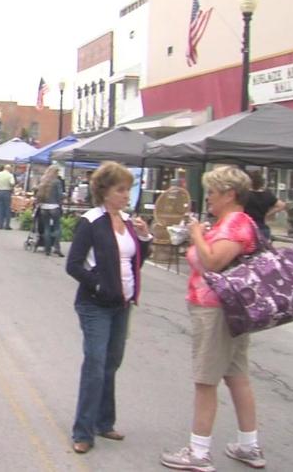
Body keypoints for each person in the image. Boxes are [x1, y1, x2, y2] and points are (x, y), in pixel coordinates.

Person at [160, 166, 265, 471]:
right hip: (228, 309)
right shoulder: (231, 222)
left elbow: (214, 262)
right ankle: (249, 445)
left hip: (217, 309)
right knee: (236, 376)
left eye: (213, 194)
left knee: (206, 379)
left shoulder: (235, 223)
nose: (209, 199)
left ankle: (199, 451)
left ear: (230, 194)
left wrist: (196, 235)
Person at [66, 161, 152, 454]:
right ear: (105, 191)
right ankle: (83, 430)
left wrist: (144, 238)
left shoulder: (128, 222)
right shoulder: (91, 222)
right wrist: (99, 285)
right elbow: (73, 264)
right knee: (95, 364)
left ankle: (104, 422)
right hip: (95, 305)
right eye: (121, 190)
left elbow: (134, 261)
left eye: (128, 189)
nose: (126, 195)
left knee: (111, 364)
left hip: (122, 305)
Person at [244, 170, 285, 241]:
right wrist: (268, 214)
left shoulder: (245, 195)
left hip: (247, 228)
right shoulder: (267, 194)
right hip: (263, 229)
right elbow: (281, 205)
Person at [37, 165, 65, 256]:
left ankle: (47, 249)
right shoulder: (56, 182)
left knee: (47, 228)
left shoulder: (43, 180)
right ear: (55, 172)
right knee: (57, 227)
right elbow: (60, 195)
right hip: (54, 206)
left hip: (44, 207)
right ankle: (57, 248)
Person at [0, 164, 16, 230]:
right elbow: (12, 183)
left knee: (0, 208)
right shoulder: (10, 175)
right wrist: (11, 187)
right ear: (9, 169)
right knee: (7, 209)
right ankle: (7, 225)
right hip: (7, 192)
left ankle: (0, 225)